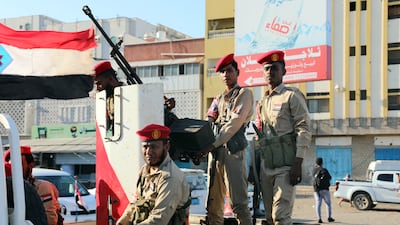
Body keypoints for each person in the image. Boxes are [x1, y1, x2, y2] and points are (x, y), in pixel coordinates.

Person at [254, 50, 312, 225]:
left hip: (286, 165)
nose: (270, 72)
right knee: (270, 218)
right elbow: (259, 135)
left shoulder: (291, 95)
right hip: (267, 165)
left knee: (281, 215)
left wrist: (298, 163)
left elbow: (304, 128)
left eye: (275, 68)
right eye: (267, 69)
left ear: (283, 72)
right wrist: (254, 166)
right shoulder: (262, 102)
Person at [201, 53, 254, 225]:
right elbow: (209, 121)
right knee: (213, 204)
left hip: (233, 152)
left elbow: (234, 124)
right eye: (222, 72)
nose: (225, 75)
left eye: (229, 70)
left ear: (237, 72)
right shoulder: (218, 98)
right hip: (216, 154)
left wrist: (211, 144)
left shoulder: (244, 94)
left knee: (239, 204)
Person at [117, 124, 191, 225]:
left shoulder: (170, 177)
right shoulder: (145, 170)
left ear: (167, 147)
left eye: (154, 147)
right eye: (145, 147)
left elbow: (159, 219)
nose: (148, 152)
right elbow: (136, 204)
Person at [4, 146, 55, 225]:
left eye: (18, 165)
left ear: (31, 165)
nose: (14, 169)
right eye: (11, 165)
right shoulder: (5, 188)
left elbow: (50, 219)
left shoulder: (42, 187)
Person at [94, 61, 124, 132]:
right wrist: (100, 104)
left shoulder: (130, 94)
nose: (98, 88)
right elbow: (105, 126)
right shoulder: (109, 99)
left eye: (99, 83)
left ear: (110, 79)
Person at [312, 157, 335, 223]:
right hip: (325, 189)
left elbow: (313, 179)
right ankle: (329, 217)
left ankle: (319, 218)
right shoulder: (324, 170)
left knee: (318, 204)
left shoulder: (314, 170)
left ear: (316, 163)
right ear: (322, 163)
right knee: (328, 204)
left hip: (317, 190)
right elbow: (330, 177)